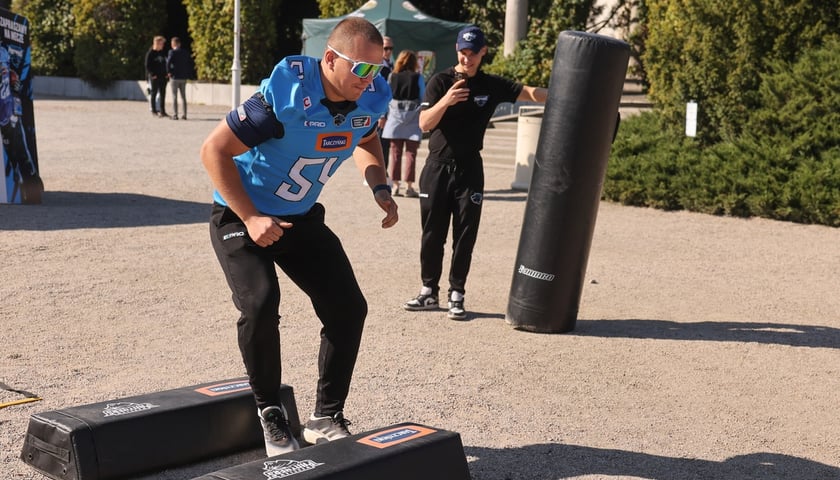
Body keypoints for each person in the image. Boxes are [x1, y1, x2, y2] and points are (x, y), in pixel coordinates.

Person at [200, 17, 397, 457]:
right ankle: (270, 411)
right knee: (261, 302)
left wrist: (379, 186)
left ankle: (325, 417)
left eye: (378, 69)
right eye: (362, 69)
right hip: (239, 215)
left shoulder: (368, 96)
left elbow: (366, 138)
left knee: (348, 308)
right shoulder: (286, 97)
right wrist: (250, 217)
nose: (372, 80)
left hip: (300, 217)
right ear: (330, 59)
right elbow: (213, 150)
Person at [403, 25, 547, 320]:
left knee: (465, 234)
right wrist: (447, 100)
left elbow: (530, 93)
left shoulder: (490, 85)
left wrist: (573, 90)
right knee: (432, 234)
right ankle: (428, 290)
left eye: (473, 54)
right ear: (457, 51)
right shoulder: (440, 81)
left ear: (483, 53)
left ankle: (457, 293)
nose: (467, 59)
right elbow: (424, 124)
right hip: (437, 168)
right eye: (462, 53)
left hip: (470, 169)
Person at [382, 50, 424, 197]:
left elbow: (386, 97)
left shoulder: (392, 76)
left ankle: (395, 185)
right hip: (413, 118)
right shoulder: (418, 77)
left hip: (395, 117)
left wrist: (383, 116)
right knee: (411, 153)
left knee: (395, 153)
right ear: (414, 63)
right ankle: (409, 186)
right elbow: (422, 97)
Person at [376, 36, 394, 174]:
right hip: (380, 112)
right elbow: (378, 92)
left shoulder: (391, 66)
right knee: (379, 144)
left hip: (389, 111)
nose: (388, 51)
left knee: (385, 144)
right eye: (385, 48)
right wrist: (382, 114)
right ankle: (378, 173)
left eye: (390, 48)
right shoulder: (378, 68)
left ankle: (383, 172)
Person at [166, 36, 191, 120]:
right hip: (183, 77)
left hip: (174, 77)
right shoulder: (185, 52)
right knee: (183, 96)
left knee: (174, 96)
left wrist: (169, 72)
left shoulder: (171, 52)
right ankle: (184, 114)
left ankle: (175, 114)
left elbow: (168, 63)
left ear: (173, 44)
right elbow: (188, 63)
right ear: (179, 44)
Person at [144, 36, 168, 117]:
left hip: (163, 76)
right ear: (156, 43)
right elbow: (147, 65)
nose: (162, 45)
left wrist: (166, 73)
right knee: (154, 93)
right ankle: (154, 110)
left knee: (163, 94)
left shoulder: (162, 52)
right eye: (161, 44)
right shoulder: (150, 53)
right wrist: (152, 74)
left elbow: (165, 63)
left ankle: (162, 111)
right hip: (155, 76)